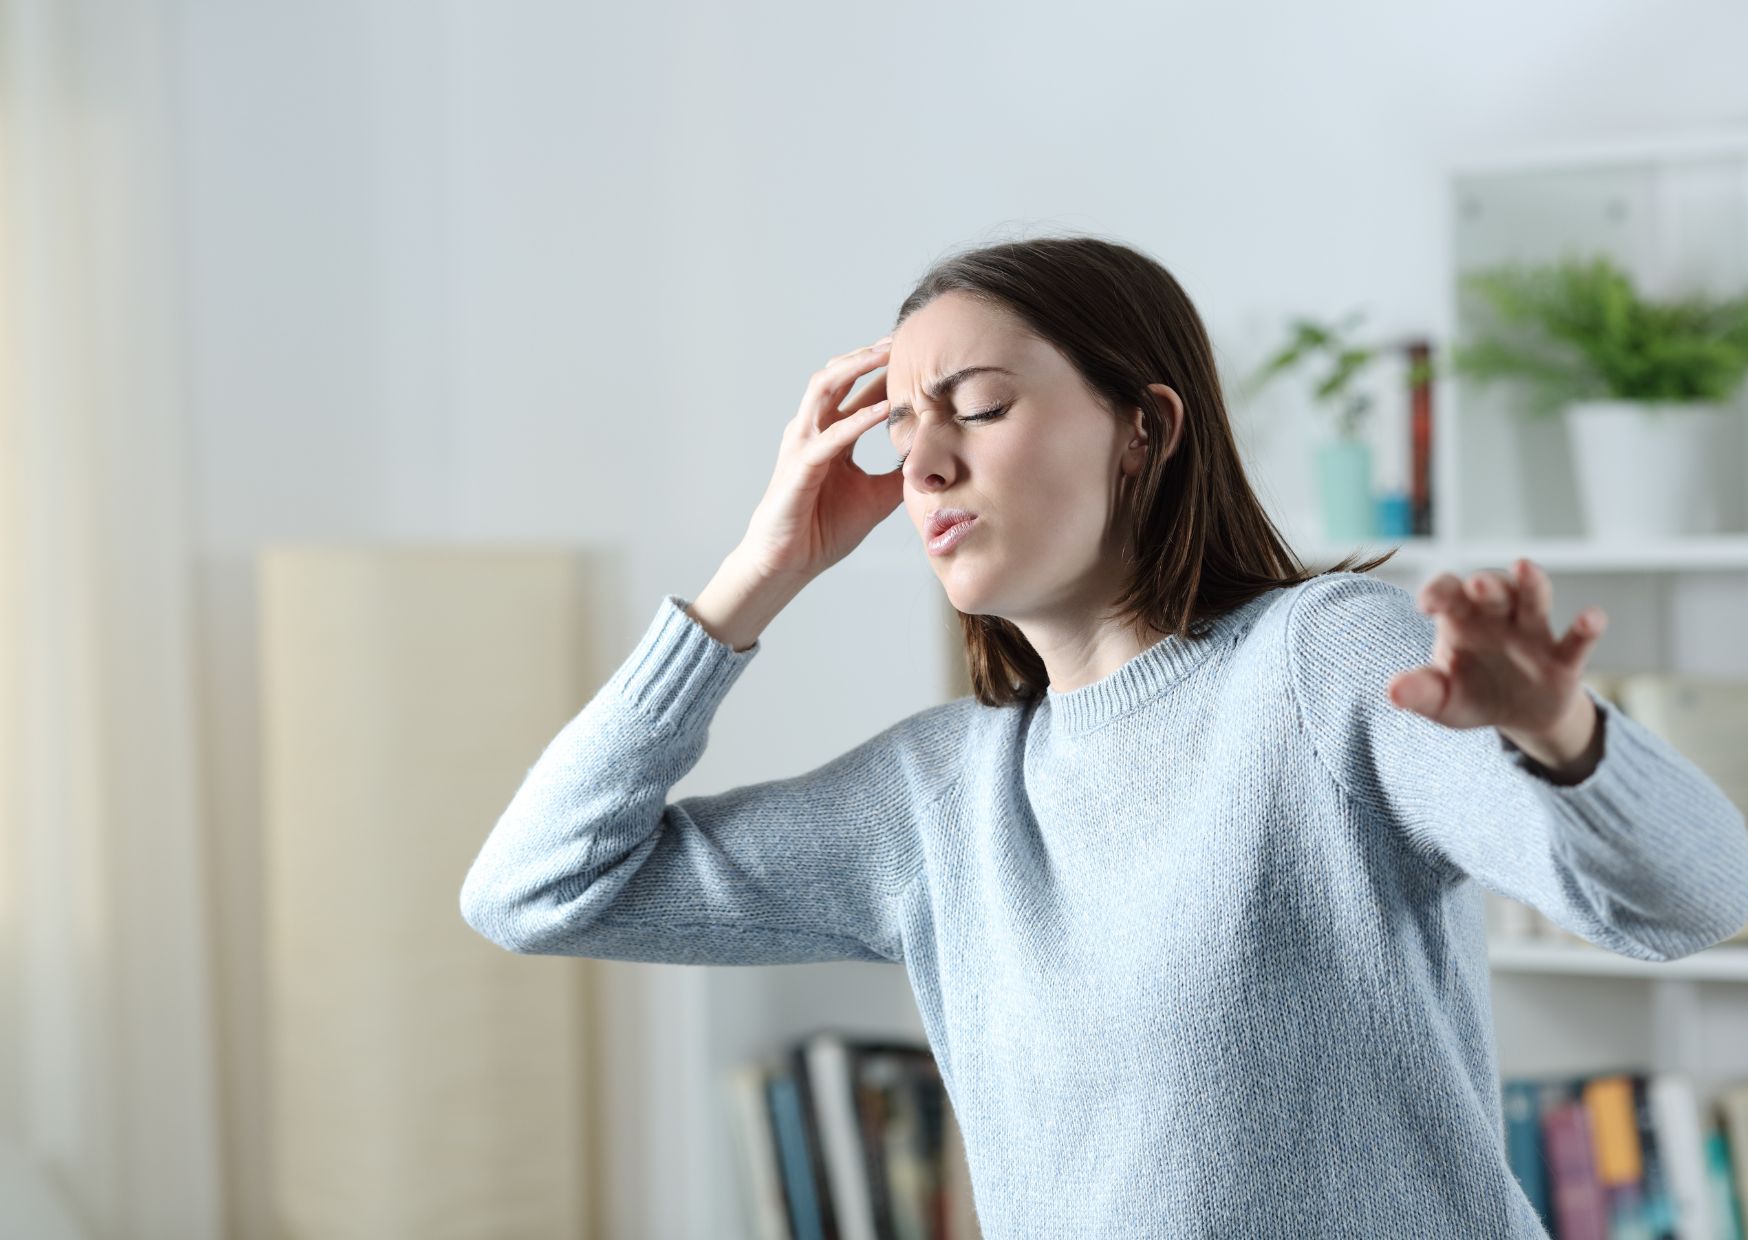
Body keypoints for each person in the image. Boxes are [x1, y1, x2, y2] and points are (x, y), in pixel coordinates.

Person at [459, 235, 1748, 1238]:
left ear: (1146, 427)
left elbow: (1697, 898)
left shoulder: (1323, 661)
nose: (922, 465)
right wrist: (758, 571)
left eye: (977, 406)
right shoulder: (939, 797)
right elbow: (536, 889)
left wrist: (1562, 736)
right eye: (903, 427)